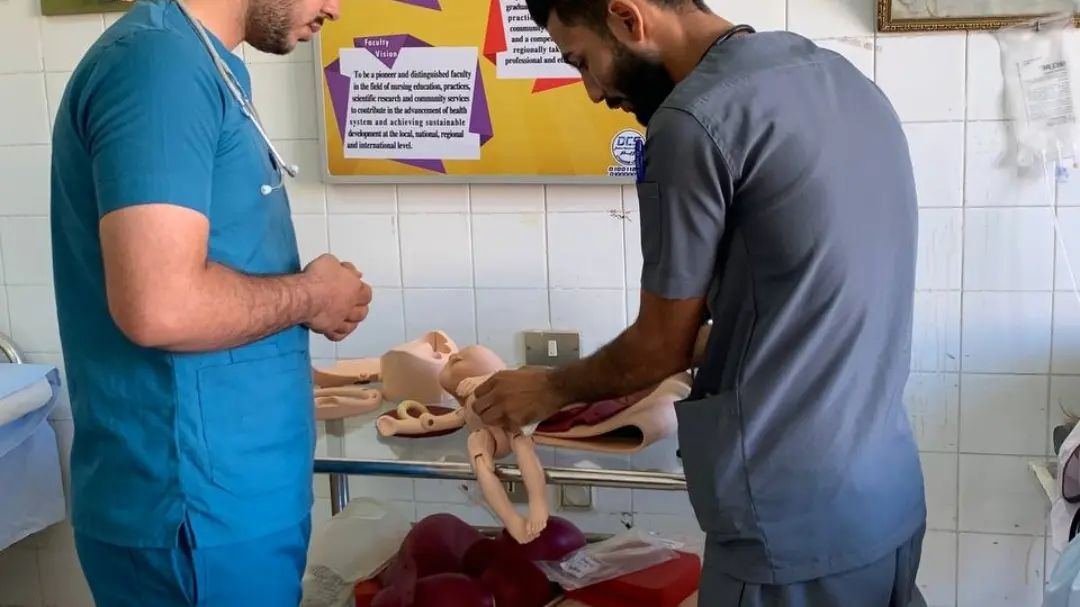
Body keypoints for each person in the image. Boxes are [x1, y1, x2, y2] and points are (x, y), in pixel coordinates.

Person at [471, 0, 928, 605]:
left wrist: (548, 389)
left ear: (628, 18)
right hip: (884, 495)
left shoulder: (691, 121)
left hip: (789, 523)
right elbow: (814, 296)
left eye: (581, 61)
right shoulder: (841, 80)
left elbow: (658, 347)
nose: (593, 92)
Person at [49, 0, 370, 604]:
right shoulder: (157, 66)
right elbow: (162, 305)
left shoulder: (200, 64)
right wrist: (312, 296)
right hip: (192, 511)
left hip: (233, 503)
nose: (335, 7)